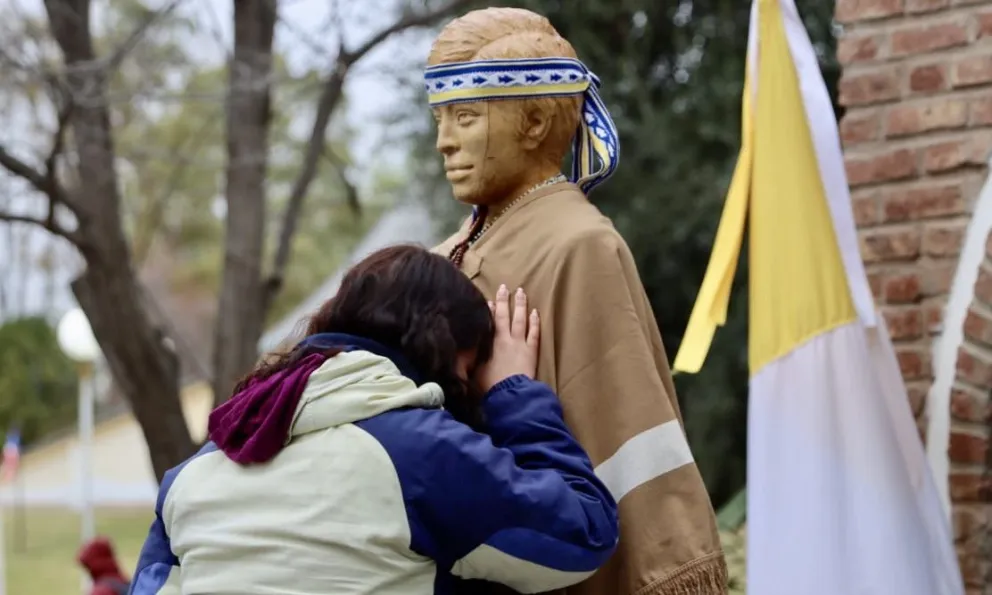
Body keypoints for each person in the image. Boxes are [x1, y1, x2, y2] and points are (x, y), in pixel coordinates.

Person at [428, 8, 726, 595]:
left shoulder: (581, 247)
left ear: (535, 121)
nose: (444, 141)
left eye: (465, 116)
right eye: (440, 119)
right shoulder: (446, 253)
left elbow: (625, 427)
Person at [128, 245, 618, 595]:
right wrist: (513, 394)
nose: (468, 393)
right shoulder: (420, 453)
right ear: (444, 353)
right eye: (470, 373)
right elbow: (583, 534)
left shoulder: (201, 465)